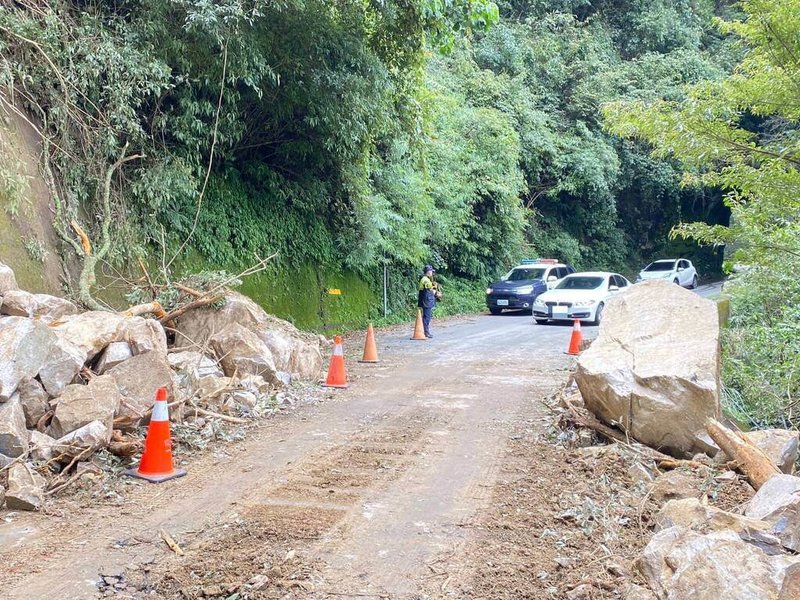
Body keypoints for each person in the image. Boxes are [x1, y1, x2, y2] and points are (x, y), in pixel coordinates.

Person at [418, 265, 438, 338]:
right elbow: (430, 290)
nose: (432, 273)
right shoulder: (425, 280)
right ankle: (426, 332)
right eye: (431, 271)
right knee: (427, 317)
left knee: (426, 316)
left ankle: (424, 331)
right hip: (426, 301)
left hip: (426, 300)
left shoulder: (425, 279)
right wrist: (436, 292)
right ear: (428, 272)